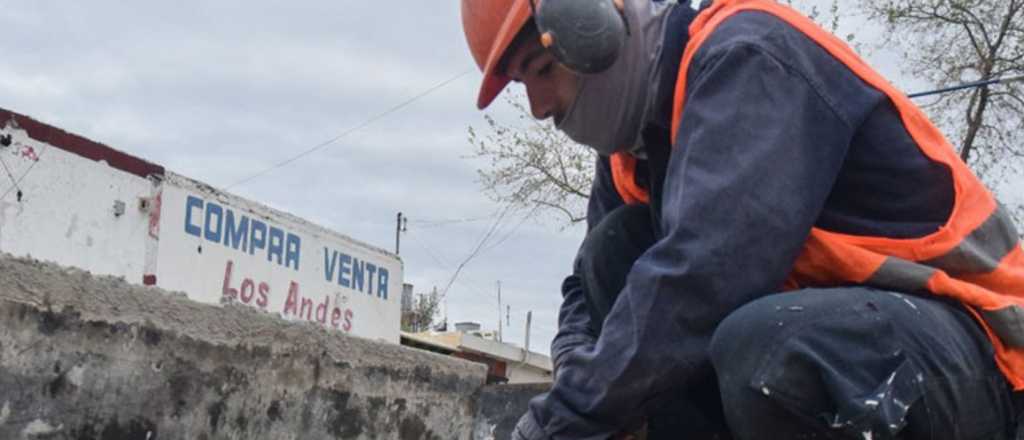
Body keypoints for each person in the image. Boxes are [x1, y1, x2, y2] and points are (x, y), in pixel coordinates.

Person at [460, 0, 1024, 438]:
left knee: (769, 350)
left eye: (538, 69)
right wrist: (569, 380)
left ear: (591, 27)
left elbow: (702, 278)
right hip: (859, 337)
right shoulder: (634, 155)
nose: (537, 106)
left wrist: (557, 425)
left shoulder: (749, 58)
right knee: (616, 251)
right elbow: (588, 292)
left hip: (981, 354)